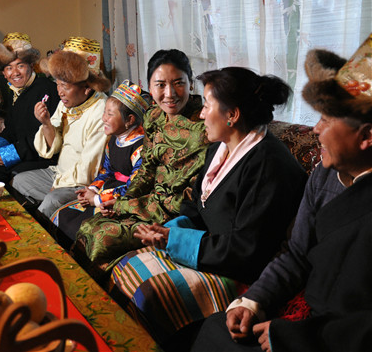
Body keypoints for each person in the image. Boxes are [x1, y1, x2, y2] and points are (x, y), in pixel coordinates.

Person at [111, 67, 308, 348]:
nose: (201, 114)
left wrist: (176, 241)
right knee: (126, 266)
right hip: (215, 252)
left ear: (232, 115)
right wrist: (166, 231)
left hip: (243, 272)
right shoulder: (219, 148)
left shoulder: (269, 165)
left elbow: (247, 249)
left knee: (151, 294)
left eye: (206, 105)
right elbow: (196, 205)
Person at [191, 44, 372, 352]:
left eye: (327, 120)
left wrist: (301, 337)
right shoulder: (324, 176)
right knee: (214, 330)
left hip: (335, 338)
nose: (315, 130)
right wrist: (251, 302)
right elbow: (296, 254)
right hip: (309, 323)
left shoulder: (269, 162)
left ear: (367, 136)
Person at [73, 49, 209, 280]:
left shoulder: (201, 130)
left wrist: (124, 207)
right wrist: (123, 201)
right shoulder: (154, 116)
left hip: (173, 213)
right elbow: (145, 170)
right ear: (149, 85)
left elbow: (177, 197)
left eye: (178, 83)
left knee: (101, 238)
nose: (169, 94)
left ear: (190, 83)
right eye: (160, 85)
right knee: (88, 226)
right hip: (145, 204)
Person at [11, 36, 111, 219]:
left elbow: (89, 169)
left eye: (64, 86)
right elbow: (53, 146)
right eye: (57, 84)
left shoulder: (101, 111)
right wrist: (46, 124)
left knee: (52, 200)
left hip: (83, 183)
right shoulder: (68, 102)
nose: (59, 92)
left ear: (87, 87)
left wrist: (58, 184)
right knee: (18, 181)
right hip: (59, 174)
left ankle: (45, 229)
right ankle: (50, 216)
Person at [51, 80, 151, 242]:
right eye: (104, 112)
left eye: (110, 114)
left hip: (124, 201)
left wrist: (98, 199)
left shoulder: (140, 148)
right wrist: (91, 190)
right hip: (106, 191)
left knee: (85, 229)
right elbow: (105, 171)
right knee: (62, 216)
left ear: (130, 120)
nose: (103, 118)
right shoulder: (113, 140)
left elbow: (134, 187)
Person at [0, 32, 60, 183]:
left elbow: (43, 137)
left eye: (20, 66)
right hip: (26, 153)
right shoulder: (16, 91)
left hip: (44, 157)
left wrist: (9, 154)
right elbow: (11, 129)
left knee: (7, 171)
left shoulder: (47, 89)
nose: (15, 73)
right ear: (3, 73)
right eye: (9, 68)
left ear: (31, 66)